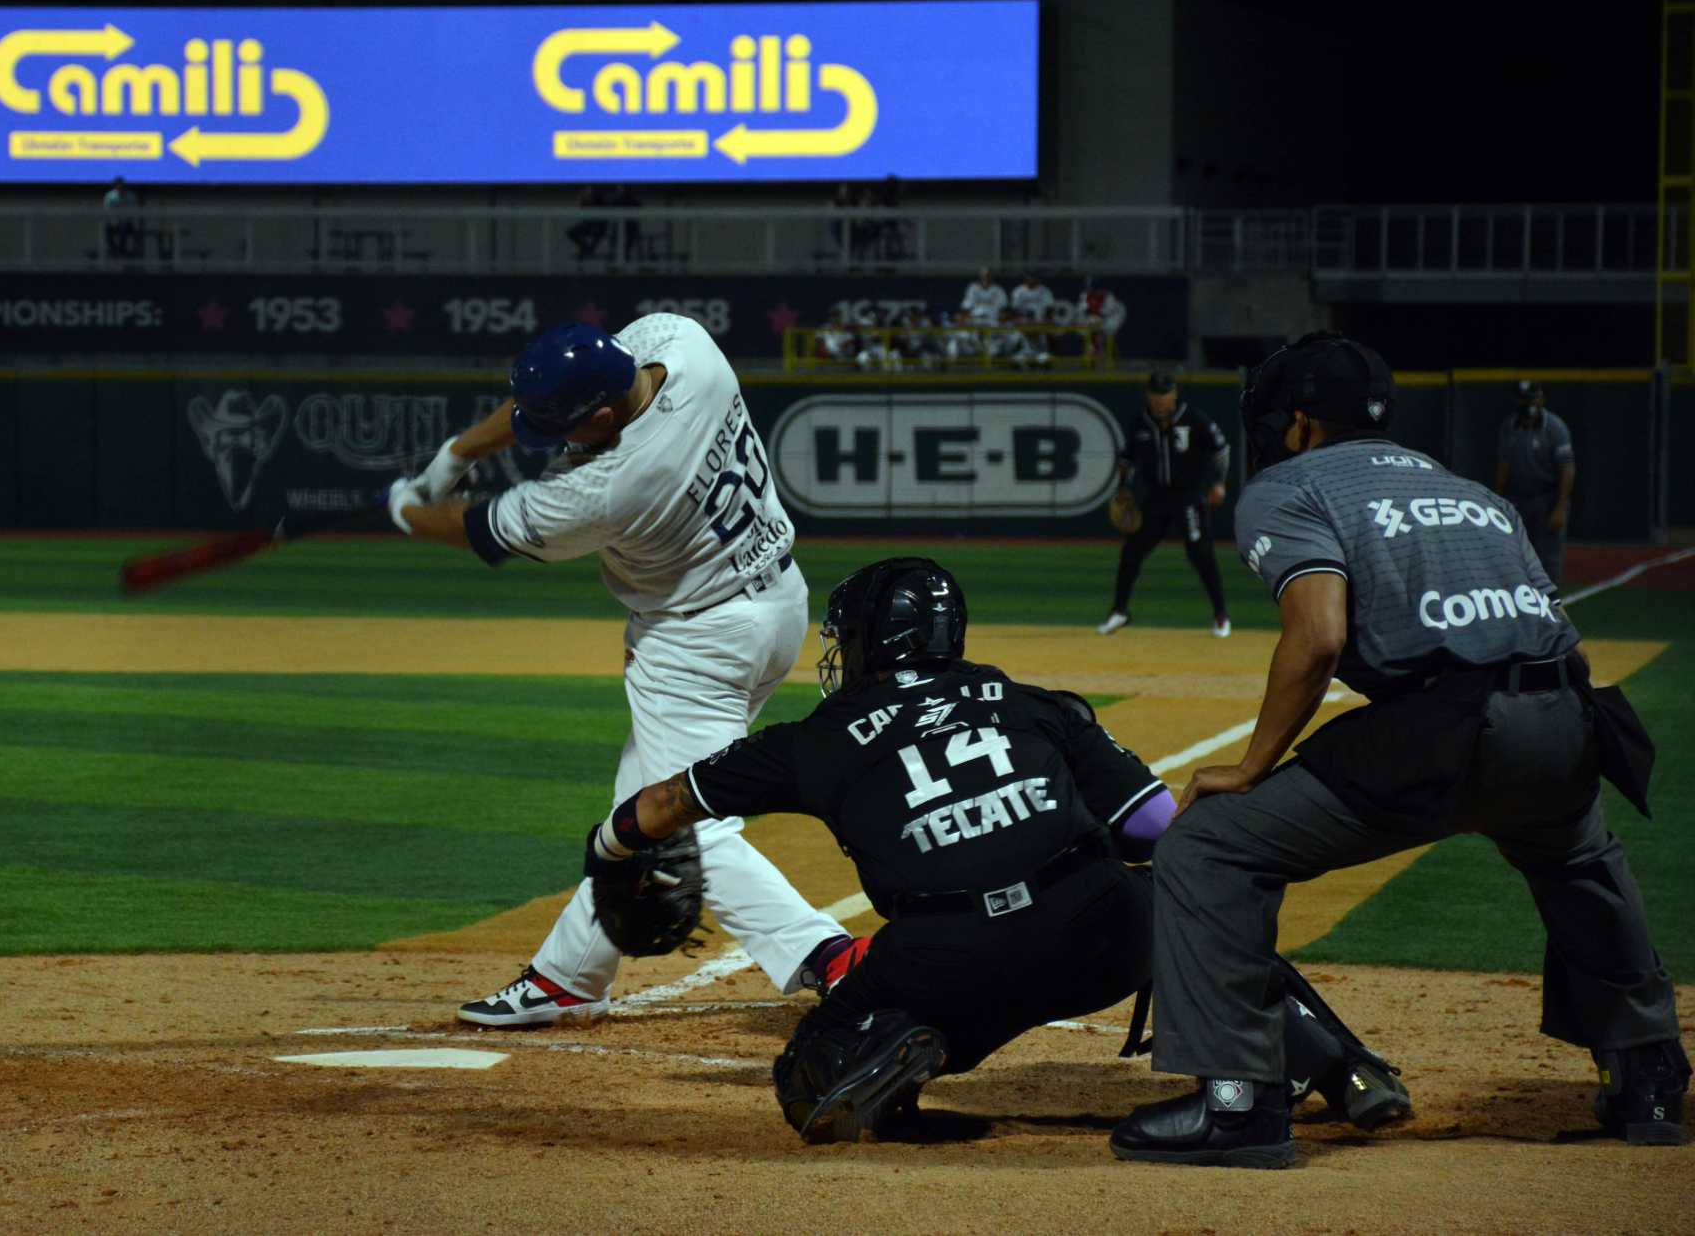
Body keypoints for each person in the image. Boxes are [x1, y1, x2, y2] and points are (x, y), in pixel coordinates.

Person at [588, 557, 1409, 1145]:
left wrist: (609, 845)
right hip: (1097, 930)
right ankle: (1346, 1070)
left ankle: (906, 1046)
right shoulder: (1033, 703)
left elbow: (664, 802)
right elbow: (1162, 829)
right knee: (1189, 909)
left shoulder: (815, 740)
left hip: (946, 958)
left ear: (871, 638)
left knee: (808, 1072)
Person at [1113, 332, 1687, 1169]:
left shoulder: (1291, 485)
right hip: (1572, 714)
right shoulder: (1468, 493)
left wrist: (1249, 766)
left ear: (1302, 422)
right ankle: (1651, 1078)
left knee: (1206, 843)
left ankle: (1238, 1103)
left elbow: (1318, 637)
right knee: (1576, 849)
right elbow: (1575, 650)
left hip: (1445, 728)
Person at [386, 316, 855, 1026]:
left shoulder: (609, 486)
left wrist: (409, 512)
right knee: (636, 812)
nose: (560, 443)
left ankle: (835, 958)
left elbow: (480, 528)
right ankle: (567, 974)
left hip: (698, 644)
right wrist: (456, 451)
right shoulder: (684, 342)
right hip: (776, 604)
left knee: (683, 823)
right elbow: (544, 407)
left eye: (571, 429)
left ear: (602, 415)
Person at [1098, 369, 1231, 637]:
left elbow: (1221, 448)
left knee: (1200, 554)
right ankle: (1119, 612)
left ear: (1174, 394)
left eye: (1165, 394)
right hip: (1155, 497)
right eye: (1156, 394)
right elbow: (1128, 460)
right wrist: (1124, 487)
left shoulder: (1193, 419)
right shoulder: (1141, 422)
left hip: (1189, 496)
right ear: (1148, 395)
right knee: (1131, 553)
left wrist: (1218, 482)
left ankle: (1220, 615)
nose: (1160, 399)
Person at [1494, 380, 1576, 586]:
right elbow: (1504, 465)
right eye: (1524, 400)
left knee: (1549, 557)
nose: (1529, 404)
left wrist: (1559, 508)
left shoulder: (1555, 427)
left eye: (1532, 399)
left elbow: (1567, 469)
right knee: (1517, 552)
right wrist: (1498, 500)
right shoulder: (1510, 426)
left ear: (1541, 399)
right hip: (1518, 497)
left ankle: (1553, 606)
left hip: (1547, 498)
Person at [566, 186, 611, 263]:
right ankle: (586, 248)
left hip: (600, 226)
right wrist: (583, 200)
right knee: (571, 232)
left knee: (598, 232)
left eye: (588, 190)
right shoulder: (586, 200)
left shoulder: (600, 199)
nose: (586, 192)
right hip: (589, 225)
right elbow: (584, 212)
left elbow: (605, 216)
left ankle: (589, 249)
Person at [103, 176, 143, 259]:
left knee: (124, 228)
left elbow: (134, 212)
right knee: (106, 229)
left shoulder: (131, 197)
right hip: (113, 222)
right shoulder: (109, 196)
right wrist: (114, 221)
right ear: (115, 186)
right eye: (118, 185)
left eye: (121, 185)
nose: (120, 187)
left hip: (127, 223)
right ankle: (114, 250)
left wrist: (128, 221)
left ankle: (122, 251)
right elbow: (107, 211)